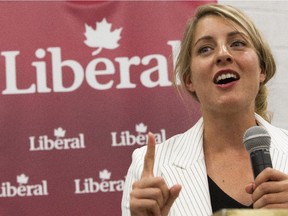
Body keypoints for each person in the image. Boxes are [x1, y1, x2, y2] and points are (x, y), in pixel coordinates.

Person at [121, 3, 288, 216]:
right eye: (205, 49)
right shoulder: (152, 170)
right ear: (189, 80)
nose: (223, 54)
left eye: (237, 43)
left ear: (262, 69)